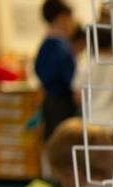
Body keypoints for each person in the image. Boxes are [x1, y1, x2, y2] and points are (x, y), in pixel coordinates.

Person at [35, 0, 78, 140]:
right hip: (60, 103)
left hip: (53, 100)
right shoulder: (58, 45)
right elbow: (68, 75)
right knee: (61, 142)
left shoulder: (49, 43)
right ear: (60, 18)